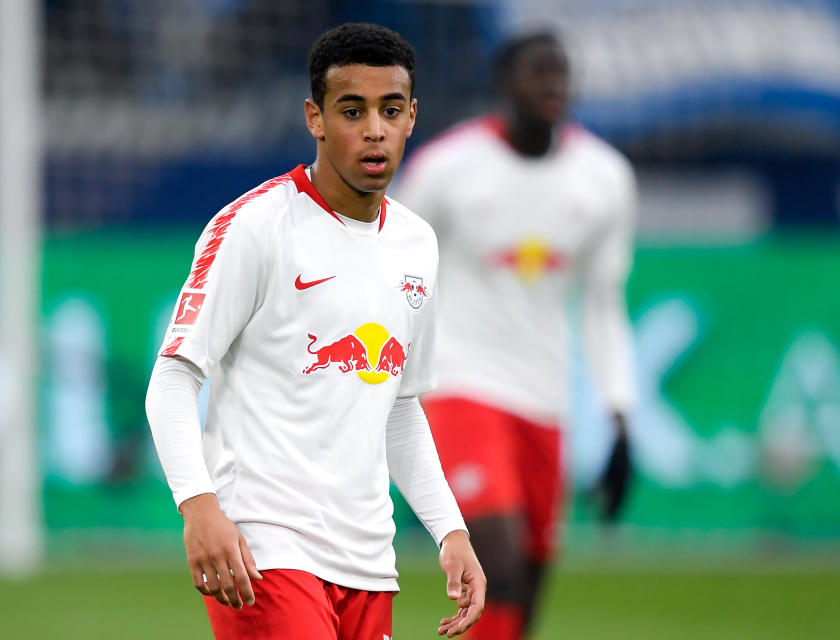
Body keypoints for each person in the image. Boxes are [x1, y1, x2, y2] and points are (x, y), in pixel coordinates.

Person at [145, 22, 485, 640]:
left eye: (390, 109)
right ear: (315, 118)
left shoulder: (417, 245)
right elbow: (173, 377)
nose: (374, 129)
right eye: (352, 110)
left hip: (368, 560)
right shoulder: (256, 226)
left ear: (413, 117)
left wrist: (450, 530)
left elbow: (399, 405)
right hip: (261, 548)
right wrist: (199, 508)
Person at [394, 30, 637, 639]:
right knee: (495, 559)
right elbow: (389, 262)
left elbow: (603, 306)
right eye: (539, 72)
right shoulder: (448, 169)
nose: (553, 84)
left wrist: (620, 413)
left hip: (545, 396)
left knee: (526, 583)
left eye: (562, 73)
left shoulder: (604, 177)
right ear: (505, 84)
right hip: (460, 381)